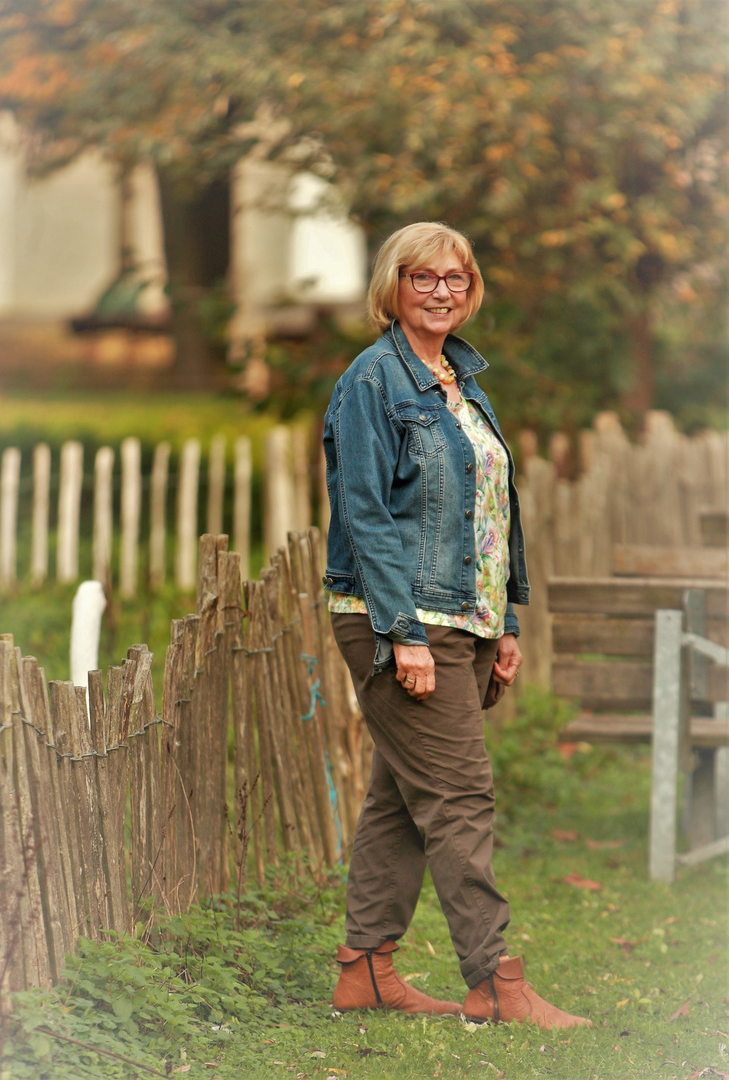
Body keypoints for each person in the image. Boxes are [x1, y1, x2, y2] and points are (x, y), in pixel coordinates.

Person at [322, 222, 590, 1030]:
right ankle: (494, 983)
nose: (442, 292)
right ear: (393, 287)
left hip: (464, 620)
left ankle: (366, 968)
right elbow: (365, 515)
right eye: (424, 278)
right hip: (399, 619)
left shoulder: (462, 381)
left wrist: (503, 619)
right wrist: (403, 634)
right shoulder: (373, 382)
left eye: (457, 279)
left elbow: (490, 512)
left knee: (403, 800)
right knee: (461, 794)